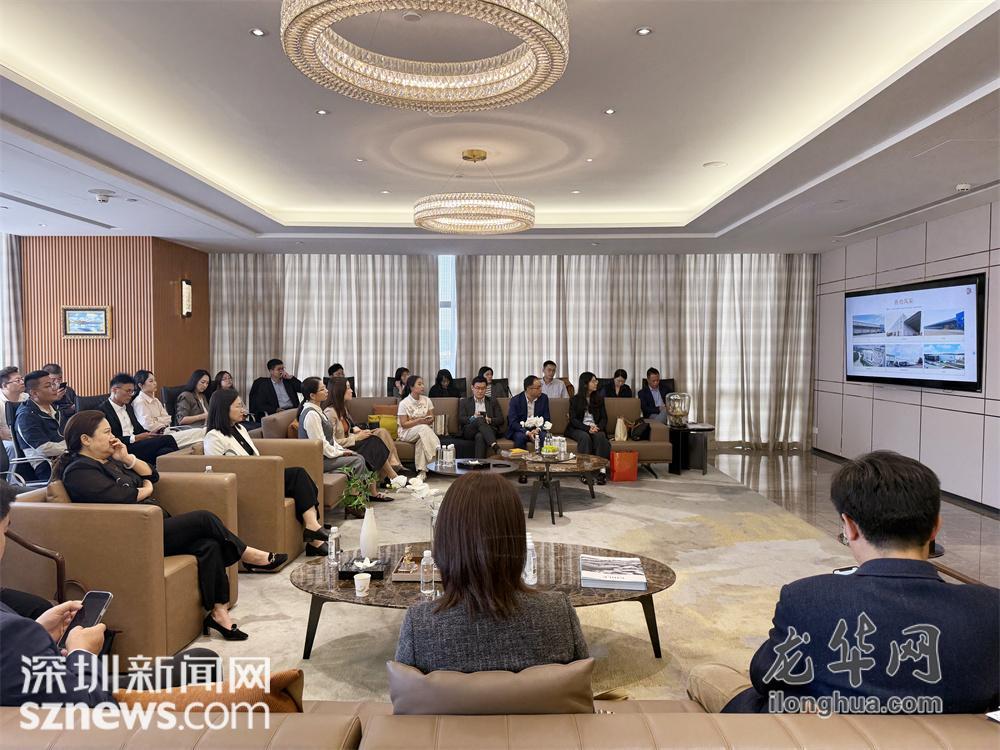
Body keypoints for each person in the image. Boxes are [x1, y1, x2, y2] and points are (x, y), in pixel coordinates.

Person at [688, 451, 1000, 715]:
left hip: (819, 732)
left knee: (708, 675)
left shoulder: (807, 598)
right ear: (935, 527)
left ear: (849, 526)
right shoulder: (990, 608)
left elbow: (766, 678)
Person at [55, 412, 288, 641]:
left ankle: (220, 614)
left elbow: (152, 474)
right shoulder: (79, 471)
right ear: (86, 439)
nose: (113, 437)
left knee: (209, 545)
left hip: (154, 525)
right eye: (107, 432)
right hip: (133, 535)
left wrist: (127, 459)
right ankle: (247, 555)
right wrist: (145, 489)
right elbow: (120, 496)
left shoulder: (111, 461)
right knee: (204, 519)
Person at [0, 480, 221, 706]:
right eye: (5, 530)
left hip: (53, 685)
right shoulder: (13, 633)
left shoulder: (16, 631)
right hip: (91, 703)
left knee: (207, 544)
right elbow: (86, 707)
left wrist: (38, 632)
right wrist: (83, 653)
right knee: (202, 663)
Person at [395, 473, 588, 673]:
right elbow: (580, 686)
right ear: (516, 540)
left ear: (446, 541)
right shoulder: (557, 613)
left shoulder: (420, 626)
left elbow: (404, 691)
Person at [204, 389, 329, 556]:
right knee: (298, 476)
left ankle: (313, 531)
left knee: (300, 477)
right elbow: (218, 469)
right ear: (223, 408)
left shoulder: (240, 429)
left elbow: (254, 457)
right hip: (244, 483)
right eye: (238, 406)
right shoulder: (213, 437)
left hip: (258, 477)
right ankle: (314, 535)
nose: (243, 410)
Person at [297, 378, 398, 504]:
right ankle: (354, 501)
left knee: (362, 453)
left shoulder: (318, 411)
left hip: (327, 455)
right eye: (322, 389)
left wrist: (342, 450)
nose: (327, 391)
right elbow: (320, 444)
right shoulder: (312, 414)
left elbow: (331, 440)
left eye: (325, 388)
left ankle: (364, 494)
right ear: (312, 395)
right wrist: (341, 452)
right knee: (358, 460)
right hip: (319, 460)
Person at [321, 377, 407, 489]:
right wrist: (356, 438)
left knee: (381, 432)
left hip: (350, 440)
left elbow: (348, 428)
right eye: (348, 388)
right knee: (373, 441)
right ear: (339, 391)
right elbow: (332, 442)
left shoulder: (342, 408)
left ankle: (390, 474)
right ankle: (392, 474)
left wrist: (357, 432)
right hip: (341, 448)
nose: (351, 390)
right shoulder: (330, 413)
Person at [98, 373, 178, 466]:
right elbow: (109, 439)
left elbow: (138, 429)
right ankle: (186, 467)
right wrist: (135, 438)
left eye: (132, 391)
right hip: (122, 449)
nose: (131, 395)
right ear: (114, 390)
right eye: (128, 391)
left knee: (165, 451)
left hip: (137, 444)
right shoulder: (102, 411)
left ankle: (165, 473)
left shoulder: (128, 407)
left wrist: (150, 434)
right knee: (168, 439)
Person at [13, 370, 66, 481]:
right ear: (34, 393)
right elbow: (44, 448)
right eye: (48, 386)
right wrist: (73, 446)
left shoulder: (54, 409)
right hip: (47, 466)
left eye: (53, 384)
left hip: (64, 459)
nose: (55, 388)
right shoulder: (26, 416)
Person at [132, 370, 204, 448]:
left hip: (168, 432)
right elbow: (148, 426)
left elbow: (168, 418)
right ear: (140, 385)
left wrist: (156, 419)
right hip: (157, 438)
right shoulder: (139, 402)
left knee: (200, 434)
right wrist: (160, 420)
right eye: (151, 381)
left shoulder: (156, 400)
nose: (155, 383)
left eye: (155, 380)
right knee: (199, 433)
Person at [567, 372, 610, 483]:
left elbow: (604, 418)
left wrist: (597, 427)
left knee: (601, 436)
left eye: (596, 381)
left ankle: (602, 471)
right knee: (584, 437)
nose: (596, 383)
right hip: (578, 428)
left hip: (595, 428)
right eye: (593, 381)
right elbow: (573, 420)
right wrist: (587, 428)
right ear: (585, 384)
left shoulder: (599, 399)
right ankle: (585, 471)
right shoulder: (575, 400)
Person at [396, 375, 440, 481]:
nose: (423, 386)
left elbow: (432, 418)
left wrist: (429, 419)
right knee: (423, 428)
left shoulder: (427, 400)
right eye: (419, 384)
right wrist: (419, 421)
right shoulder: (404, 403)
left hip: (423, 432)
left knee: (421, 440)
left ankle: (422, 472)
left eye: (422, 384)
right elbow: (404, 424)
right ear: (411, 387)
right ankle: (438, 454)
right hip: (407, 432)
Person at [458, 376, 503, 458]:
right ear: (472, 387)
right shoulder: (464, 402)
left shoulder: (493, 401)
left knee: (480, 436)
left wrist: (489, 420)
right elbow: (461, 419)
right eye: (478, 388)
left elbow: (500, 419)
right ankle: (495, 446)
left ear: (486, 388)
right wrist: (473, 417)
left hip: (488, 429)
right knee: (479, 419)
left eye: (483, 388)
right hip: (470, 430)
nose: (480, 391)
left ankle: (479, 464)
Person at [506, 375, 551, 450]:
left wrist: (538, 429)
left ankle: (543, 457)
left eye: (541, 386)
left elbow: (547, 418)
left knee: (544, 436)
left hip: (537, 429)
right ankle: (520, 458)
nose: (541, 389)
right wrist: (527, 432)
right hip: (521, 430)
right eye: (538, 388)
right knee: (520, 437)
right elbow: (513, 422)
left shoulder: (544, 398)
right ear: (528, 389)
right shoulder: (515, 400)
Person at [0, 367, 27, 463]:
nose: (22, 382)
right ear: (4, 385)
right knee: (12, 448)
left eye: (22, 379)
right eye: (17, 380)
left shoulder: (27, 398)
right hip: (5, 441)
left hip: (26, 437)